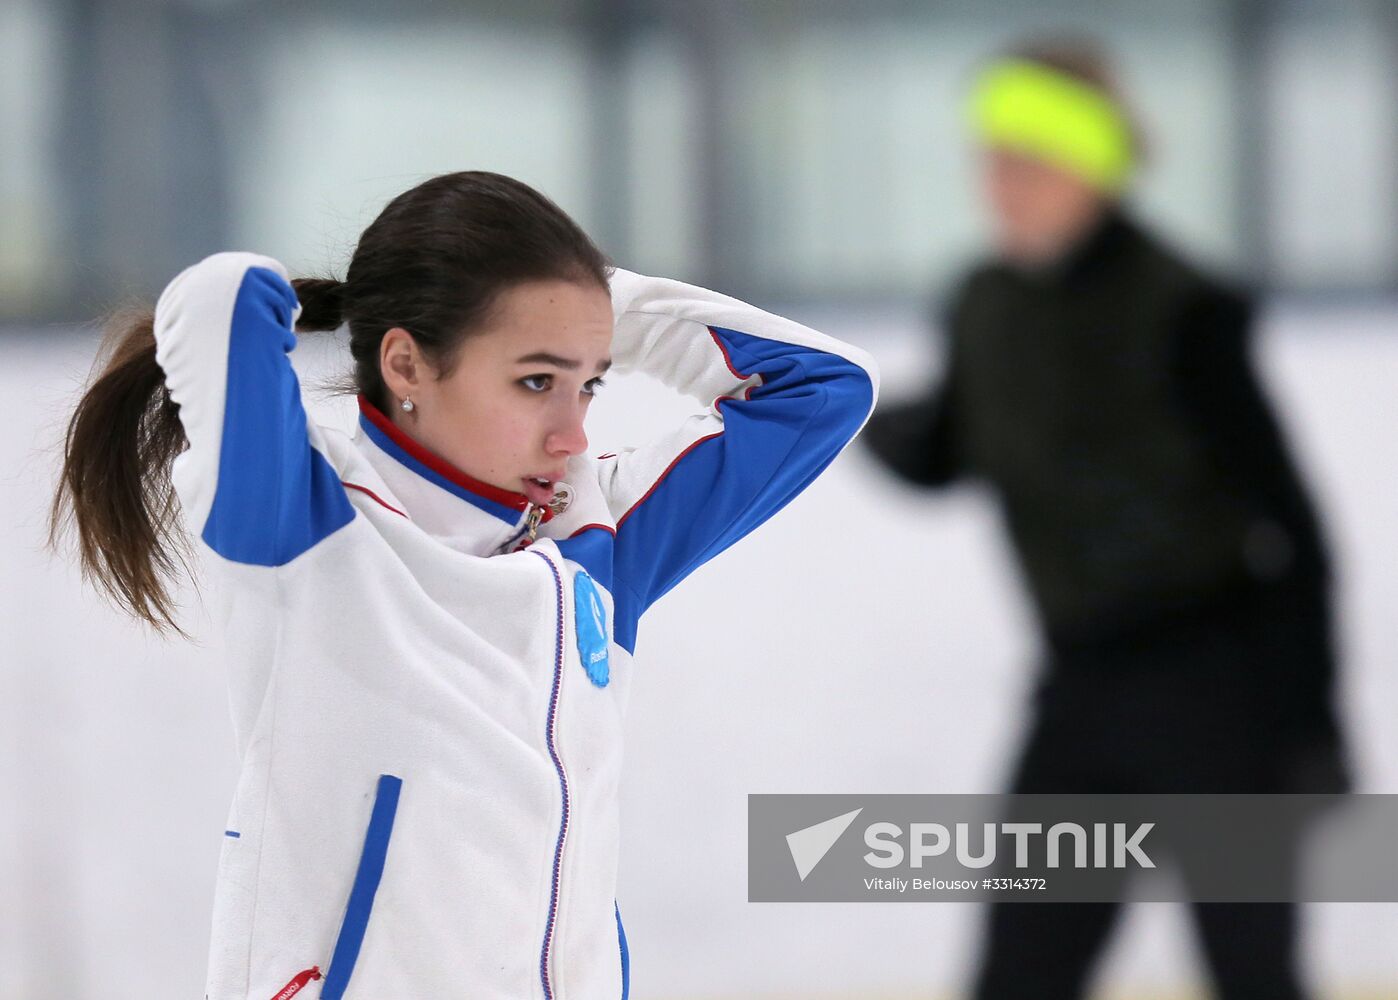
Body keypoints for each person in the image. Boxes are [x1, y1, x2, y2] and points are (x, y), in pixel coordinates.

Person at [48, 170, 878, 999]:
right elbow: (221, 301)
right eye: (534, 381)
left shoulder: (602, 534)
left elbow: (827, 386)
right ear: (405, 362)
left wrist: (587, 306)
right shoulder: (301, 515)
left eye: (590, 381)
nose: (573, 432)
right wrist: (512, 303)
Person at [862, 41, 1348, 1000]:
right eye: (991, 159)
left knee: (1255, 975)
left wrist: (1310, 720)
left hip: (1221, 693)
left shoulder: (1186, 309)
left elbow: (1296, 530)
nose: (1001, 184)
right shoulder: (986, 302)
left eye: (1028, 162)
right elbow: (946, 453)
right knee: (1021, 973)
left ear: (1091, 165)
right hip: (1082, 690)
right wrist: (833, 411)